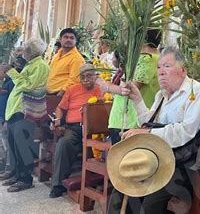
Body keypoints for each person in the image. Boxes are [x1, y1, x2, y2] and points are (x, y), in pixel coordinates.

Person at [108, 46, 200, 213]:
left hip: (186, 162)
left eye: (167, 66)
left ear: (183, 70)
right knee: (123, 184)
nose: (161, 72)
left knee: (150, 202)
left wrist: (147, 133)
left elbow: (187, 131)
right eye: (159, 67)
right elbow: (149, 123)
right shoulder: (161, 95)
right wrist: (137, 99)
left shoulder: (196, 91)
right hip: (160, 157)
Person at [49, 64, 129, 198]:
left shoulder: (101, 89)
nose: (86, 79)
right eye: (83, 76)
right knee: (64, 143)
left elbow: (109, 104)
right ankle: (57, 185)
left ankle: (105, 182)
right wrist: (57, 119)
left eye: (89, 76)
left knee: (103, 147)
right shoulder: (72, 89)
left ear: (95, 76)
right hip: (74, 128)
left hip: (96, 130)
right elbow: (60, 108)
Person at [2, 38, 50, 192]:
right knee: (14, 144)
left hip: (26, 109)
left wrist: (11, 71)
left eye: (26, 50)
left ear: (32, 51)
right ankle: (17, 175)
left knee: (23, 145)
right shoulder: (31, 65)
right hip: (16, 109)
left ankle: (25, 179)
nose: (23, 53)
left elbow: (28, 85)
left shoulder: (41, 65)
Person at [108, 30, 160, 144]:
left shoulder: (147, 59)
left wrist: (106, 86)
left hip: (129, 119)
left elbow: (129, 88)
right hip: (130, 117)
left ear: (142, 39)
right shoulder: (156, 58)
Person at [0, 55, 27, 173]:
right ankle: (8, 167)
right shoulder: (6, 82)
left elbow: (11, 102)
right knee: (5, 142)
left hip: (10, 116)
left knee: (8, 145)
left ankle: (9, 167)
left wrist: (6, 120)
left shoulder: (12, 83)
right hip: (4, 116)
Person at [46, 28, 85, 96]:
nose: (68, 40)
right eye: (66, 37)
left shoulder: (77, 59)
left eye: (72, 38)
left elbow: (74, 81)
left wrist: (60, 95)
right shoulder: (56, 55)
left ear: (75, 41)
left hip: (61, 96)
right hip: (50, 94)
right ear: (60, 40)